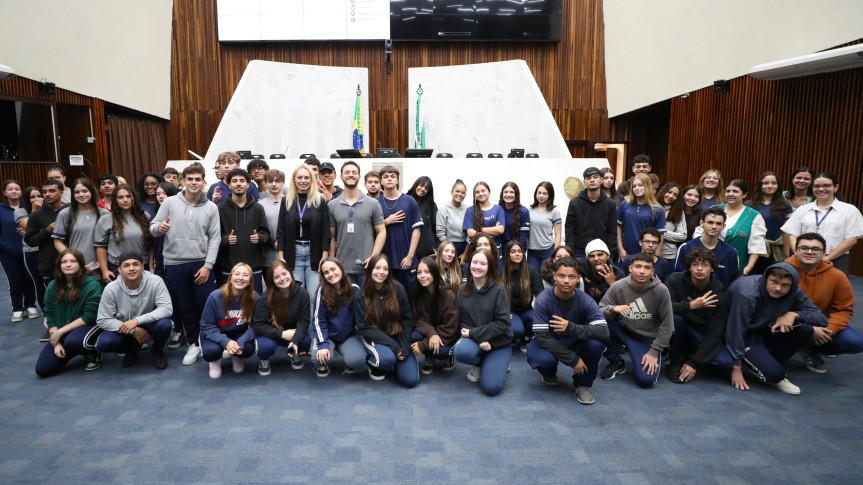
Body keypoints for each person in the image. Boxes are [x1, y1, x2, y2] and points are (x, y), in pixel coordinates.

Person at [150, 162, 220, 366]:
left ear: (203, 181)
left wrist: (208, 265)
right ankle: (193, 343)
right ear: (183, 181)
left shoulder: (211, 207)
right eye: (190, 179)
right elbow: (153, 227)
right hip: (174, 263)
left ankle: (209, 339)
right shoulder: (170, 202)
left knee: (206, 303)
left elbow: (215, 238)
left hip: (201, 264)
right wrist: (159, 228)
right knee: (185, 306)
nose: (194, 182)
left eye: (198, 179)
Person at [725, 263, 828, 395]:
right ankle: (760, 362)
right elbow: (735, 330)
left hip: (766, 329)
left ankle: (764, 360)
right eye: (774, 282)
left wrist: (794, 314)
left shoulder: (794, 291)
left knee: (807, 329)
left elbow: (821, 319)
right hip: (744, 334)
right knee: (775, 375)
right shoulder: (748, 294)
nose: (778, 288)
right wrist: (736, 368)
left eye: (785, 285)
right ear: (766, 278)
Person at [527, 257, 609, 405]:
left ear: (578, 278)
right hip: (549, 341)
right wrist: (573, 359)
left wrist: (571, 327)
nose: (566, 281)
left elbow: (604, 332)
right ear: (554, 276)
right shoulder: (543, 299)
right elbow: (542, 337)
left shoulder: (585, 300)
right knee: (542, 359)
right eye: (561, 276)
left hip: (573, 340)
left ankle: (582, 384)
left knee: (594, 345)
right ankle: (549, 372)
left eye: (571, 277)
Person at [786, 233, 863, 373]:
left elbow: (843, 310)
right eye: (804, 248)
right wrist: (808, 331)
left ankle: (811, 348)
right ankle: (794, 345)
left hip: (820, 322)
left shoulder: (837, 276)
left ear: (824, 253)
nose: (809, 252)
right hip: (789, 323)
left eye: (815, 249)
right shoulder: (781, 271)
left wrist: (829, 330)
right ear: (795, 250)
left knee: (855, 342)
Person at [599, 252, 674, 388]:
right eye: (638, 266)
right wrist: (614, 309)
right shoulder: (618, 286)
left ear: (652, 271)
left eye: (647, 268)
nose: (642, 271)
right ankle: (616, 361)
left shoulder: (661, 290)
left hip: (647, 339)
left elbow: (668, 325)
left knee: (646, 380)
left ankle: (640, 355)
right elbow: (599, 313)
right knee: (599, 325)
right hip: (624, 331)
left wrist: (654, 351)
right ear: (630, 268)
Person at [95, 252, 173, 369]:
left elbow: (166, 309)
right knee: (104, 342)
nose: (131, 268)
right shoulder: (111, 288)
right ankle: (131, 349)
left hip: (150, 323)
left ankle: (156, 350)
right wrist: (133, 330)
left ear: (142, 267)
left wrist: (136, 321)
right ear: (119, 270)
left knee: (165, 324)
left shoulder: (156, 281)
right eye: (126, 265)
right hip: (125, 326)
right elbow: (102, 320)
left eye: (135, 264)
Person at [665, 248, 732, 384]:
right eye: (695, 264)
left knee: (725, 363)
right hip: (679, 328)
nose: (699, 269)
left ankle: (690, 356)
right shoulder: (675, 279)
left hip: (700, 334)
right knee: (675, 319)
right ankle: (674, 361)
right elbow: (664, 308)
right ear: (689, 267)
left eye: (705, 265)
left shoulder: (718, 296)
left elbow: (714, 333)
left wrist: (694, 363)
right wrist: (691, 306)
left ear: (712, 269)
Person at [353, 254, 419, 387]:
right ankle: (375, 364)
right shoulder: (360, 295)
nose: (381, 272)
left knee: (410, 380)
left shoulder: (397, 288)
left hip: (397, 335)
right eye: (377, 268)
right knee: (386, 359)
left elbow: (407, 318)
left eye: (385, 269)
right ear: (370, 269)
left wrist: (405, 348)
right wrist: (394, 348)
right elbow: (363, 326)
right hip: (376, 338)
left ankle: (396, 361)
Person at [34, 249, 104, 377]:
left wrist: (60, 333)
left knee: (73, 341)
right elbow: (49, 314)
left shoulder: (92, 284)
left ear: (81, 264)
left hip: (88, 326)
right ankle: (71, 348)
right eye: (64, 261)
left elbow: (90, 316)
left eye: (73, 261)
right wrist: (56, 342)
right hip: (63, 332)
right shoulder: (53, 286)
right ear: (59, 265)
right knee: (42, 369)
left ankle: (92, 352)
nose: (68, 264)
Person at [454, 248, 513, 396]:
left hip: (498, 342)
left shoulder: (499, 290)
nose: (477, 267)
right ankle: (479, 363)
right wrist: (479, 338)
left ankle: (500, 362)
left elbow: (503, 324)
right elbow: (462, 320)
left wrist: (477, 334)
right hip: (476, 341)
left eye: (483, 263)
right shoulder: (462, 290)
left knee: (491, 388)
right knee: (461, 351)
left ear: (490, 267)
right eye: (474, 262)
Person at [781, 171, 863, 276]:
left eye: (826, 185)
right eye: (817, 186)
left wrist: (827, 258)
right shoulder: (803, 209)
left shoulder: (849, 210)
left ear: (836, 187)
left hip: (836, 259)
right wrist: (798, 253)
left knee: (832, 291)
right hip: (805, 259)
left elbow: (851, 239)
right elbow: (792, 234)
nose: (821, 189)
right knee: (801, 290)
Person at [329, 161, 386, 285]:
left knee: (367, 304)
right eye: (347, 172)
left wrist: (373, 257)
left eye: (354, 172)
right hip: (342, 268)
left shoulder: (373, 204)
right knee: (345, 303)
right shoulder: (332, 205)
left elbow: (381, 232)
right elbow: (332, 237)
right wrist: (332, 262)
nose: (350, 175)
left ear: (359, 177)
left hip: (366, 267)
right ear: (341, 177)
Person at [24, 179, 67, 341]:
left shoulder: (71, 210)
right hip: (49, 265)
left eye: (52, 191)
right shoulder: (36, 215)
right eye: (45, 191)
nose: (47, 194)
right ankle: (52, 328)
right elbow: (30, 240)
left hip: (73, 263)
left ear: (62, 192)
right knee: (54, 300)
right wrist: (46, 231)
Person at [252, 260, 311, 376]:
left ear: (290, 273)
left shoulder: (302, 293)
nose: (282, 278)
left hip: (292, 333)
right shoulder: (265, 298)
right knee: (265, 347)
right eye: (277, 277)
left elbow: (304, 320)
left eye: (284, 274)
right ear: (272, 281)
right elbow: (258, 326)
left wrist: (296, 339)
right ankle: (264, 360)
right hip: (270, 334)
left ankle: (293, 353)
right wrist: (282, 334)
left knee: (305, 341)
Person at [200, 263, 259, 378]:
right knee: (211, 352)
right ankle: (215, 362)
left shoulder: (254, 297)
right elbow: (207, 326)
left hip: (237, 332)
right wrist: (226, 342)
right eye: (237, 274)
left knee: (247, 348)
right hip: (216, 333)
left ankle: (236, 356)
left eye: (245, 275)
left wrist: (241, 341)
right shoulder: (215, 296)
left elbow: (257, 325)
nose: (240, 278)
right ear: (231, 277)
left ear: (250, 280)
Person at [310, 257, 367, 377]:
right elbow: (318, 321)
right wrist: (322, 344)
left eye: (333, 269)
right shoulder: (321, 291)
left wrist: (367, 337)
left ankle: (349, 360)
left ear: (341, 268)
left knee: (357, 360)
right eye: (326, 272)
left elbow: (363, 318)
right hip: (328, 336)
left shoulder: (354, 289)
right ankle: (323, 363)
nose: (331, 274)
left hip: (348, 335)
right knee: (317, 358)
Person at [277, 164, 327, 299]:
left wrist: (324, 256)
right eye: (300, 177)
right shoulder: (286, 201)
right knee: (294, 295)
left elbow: (325, 231)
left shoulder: (320, 200)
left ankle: (313, 321)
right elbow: (280, 231)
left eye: (307, 177)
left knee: (313, 296)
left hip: (314, 254)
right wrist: (281, 257)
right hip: (293, 254)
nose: (303, 181)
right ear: (294, 180)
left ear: (312, 180)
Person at [698, 180, 767, 277]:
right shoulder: (714, 208)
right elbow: (699, 233)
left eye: (735, 191)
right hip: (707, 265)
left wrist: (748, 268)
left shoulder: (754, 216)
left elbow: (756, 246)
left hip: (736, 266)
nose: (730, 194)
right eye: (728, 191)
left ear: (744, 194)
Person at [218, 168, 270, 293]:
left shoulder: (258, 208)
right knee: (230, 307)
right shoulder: (220, 209)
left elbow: (266, 234)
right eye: (234, 181)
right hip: (229, 270)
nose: (238, 184)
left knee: (254, 305)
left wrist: (260, 238)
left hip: (254, 269)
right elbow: (213, 237)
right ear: (229, 185)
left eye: (242, 181)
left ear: (248, 184)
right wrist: (225, 239)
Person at [95, 184, 154, 284]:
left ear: (133, 198)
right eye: (121, 197)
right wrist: (104, 270)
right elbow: (101, 247)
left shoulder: (145, 217)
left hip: (142, 266)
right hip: (116, 267)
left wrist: (151, 267)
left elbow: (151, 245)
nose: (125, 200)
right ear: (115, 200)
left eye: (128, 196)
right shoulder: (106, 220)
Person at [377, 165, 422, 293]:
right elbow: (371, 230)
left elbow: (417, 230)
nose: (389, 179)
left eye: (393, 176)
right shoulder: (375, 203)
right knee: (387, 300)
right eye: (385, 177)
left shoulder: (409, 201)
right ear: (381, 181)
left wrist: (410, 256)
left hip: (406, 261)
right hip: (384, 262)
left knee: (409, 299)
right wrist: (386, 222)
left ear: (397, 180)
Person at [411, 257, 460, 374]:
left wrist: (424, 344)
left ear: (435, 272)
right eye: (419, 272)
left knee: (441, 352)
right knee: (414, 337)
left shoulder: (448, 295)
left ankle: (449, 355)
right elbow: (417, 318)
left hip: (447, 335)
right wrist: (431, 334)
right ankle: (429, 355)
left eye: (427, 272)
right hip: (431, 331)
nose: (422, 276)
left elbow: (451, 328)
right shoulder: (418, 291)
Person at [676, 206, 740, 291]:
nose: (714, 227)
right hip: (690, 300)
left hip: (720, 301)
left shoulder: (731, 252)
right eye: (710, 222)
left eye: (718, 223)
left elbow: (733, 283)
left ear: (723, 226)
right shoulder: (686, 248)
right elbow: (678, 279)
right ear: (702, 223)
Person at [52, 178, 109, 272]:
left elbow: (110, 241)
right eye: (77, 192)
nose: (81, 195)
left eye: (84, 191)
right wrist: (71, 259)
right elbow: (57, 242)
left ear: (91, 192)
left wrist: (103, 261)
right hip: (75, 267)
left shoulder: (104, 214)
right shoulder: (65, 214)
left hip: (100, 266)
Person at [1, 180, 37, 322]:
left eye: (17, 189)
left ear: (21, 192)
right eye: (10, 189)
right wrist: (5, 247)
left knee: (30, 279)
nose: (14, 191)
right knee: (15, 280)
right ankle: (17, 308)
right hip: (8, 252)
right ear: (4, 192)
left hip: (28, 249)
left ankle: (30, 305)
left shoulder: (28, 207)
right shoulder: (1, 208)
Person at [502, 240, 543, 348]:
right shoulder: (501, 272)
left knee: (540, 321)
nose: (517, 254)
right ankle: (515, 334)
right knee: (517, 330)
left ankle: (527, 338)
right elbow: (496, 297)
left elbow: (540, 294)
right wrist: (503, 313)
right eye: (513, 251)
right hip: (510, 311)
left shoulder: (531, 270)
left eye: (520, 251)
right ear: (507, 254)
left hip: (527, 309)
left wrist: (541, 312)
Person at [748, 172, 792, 271]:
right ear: (760, 185)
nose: (770, 186)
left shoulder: (785, 205)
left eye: (773, 183)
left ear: (778, 185)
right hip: (752, 249)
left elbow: (786, 232)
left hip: (774, 250)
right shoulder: (749, 205)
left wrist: (786, 255)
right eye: (766, 183)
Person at [616, 173, 666, 262]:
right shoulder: (625, 204)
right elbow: (619, 227)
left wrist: (656, 257)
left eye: (640, 185)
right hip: (626, 252)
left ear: (647, 186)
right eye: (634, 186)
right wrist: (620, 248)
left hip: (647, 254)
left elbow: (660, 235)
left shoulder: (657, 209)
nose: (637, 188)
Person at [12, 185, 42, 321]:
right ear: (26, 199)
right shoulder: (20, 211)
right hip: (32, 252)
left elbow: (54, 227)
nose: (36, 199)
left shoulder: (48, 210)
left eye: (38, 196)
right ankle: (47, 314)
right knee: (38, 283)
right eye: (32, 197)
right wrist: (35, 212)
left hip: (48, 250)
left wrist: (30, 229)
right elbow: (29, 227)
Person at [462, 181, 505, 254]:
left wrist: (479, 229)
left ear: (489, 192)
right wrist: (493, 231)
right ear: (475, 195)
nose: (481, 194)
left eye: (483, 191)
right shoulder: (470, 210)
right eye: (477, 192)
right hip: (477, 250)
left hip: (496, 250)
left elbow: (500, 230)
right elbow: (471, 233)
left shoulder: (498, 209)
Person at [527, 181, 562, 270]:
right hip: (532, 251)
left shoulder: (554, 211)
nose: (541, 196)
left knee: (547, 278)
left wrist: (556, 253)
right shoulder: (529, 211)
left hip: (547, 250)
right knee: (532, 277)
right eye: (539, 193)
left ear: (550, 195)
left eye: (544, 193)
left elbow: (558, 235)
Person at [577, 239, 624, 304]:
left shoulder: (618, 274)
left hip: (609, 310)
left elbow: (623, 300)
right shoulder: (581, 267)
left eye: (600, 255)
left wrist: (613, 284)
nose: (596, 259)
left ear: (608, 256)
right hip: (586, 308)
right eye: (592, 256)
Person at [435, 179, 468, 264]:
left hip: (465, 247)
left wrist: (465, 254)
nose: (460, 194)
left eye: (463, 192)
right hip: (447, 247)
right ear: (451, 192)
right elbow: (440, 232)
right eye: (457, 191)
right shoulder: (443, 209)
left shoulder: (468, 210)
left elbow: (470, 234)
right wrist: (449, 252)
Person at [407, 176, 439, 260]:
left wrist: (437, 248)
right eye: (421, 185)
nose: (423, 189)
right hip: (408, 249)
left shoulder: (431, 205)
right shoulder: (405, 201)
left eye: (426, 188)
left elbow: (436, 228)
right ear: (416, 185)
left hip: (427, 251)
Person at [258, 169, 285, 266]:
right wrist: (271, 242)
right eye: (270, 181)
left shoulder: (292, 202)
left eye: (277, 181)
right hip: (268, 257)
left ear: (283, 183)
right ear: (265, 183)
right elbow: (259, 229)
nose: (274, 184)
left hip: (290, 255)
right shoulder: (259, 205)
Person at [153, 182, 178, 280]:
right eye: (158, 194)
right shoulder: (154, 215)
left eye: (164, 193)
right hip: (158, 258)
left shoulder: (178, 212)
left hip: (175, 259)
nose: (161, 196)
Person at [657, 182, 687, 265]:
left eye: (675, 195)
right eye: (669, 192)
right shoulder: (652, 207)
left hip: (668, 255)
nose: (671, 196)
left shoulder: (678, 212)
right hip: (648, 252)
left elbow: (683, 235)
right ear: (663, 191)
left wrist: (661, 233)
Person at [498, 182, 530, 249]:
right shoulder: (497, 210)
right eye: (506, 192)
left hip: (516, 250)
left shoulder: (524, 211)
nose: (508, 195)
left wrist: (518, 252)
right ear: (502, 194)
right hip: (500, 250)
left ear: (516, 194)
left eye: (511, 192)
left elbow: (523, 238)